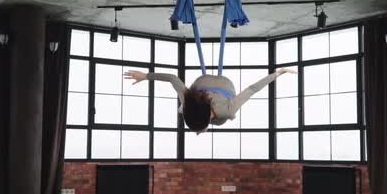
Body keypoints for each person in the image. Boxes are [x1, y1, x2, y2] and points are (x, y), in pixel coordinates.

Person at [124, 68, 297, 133]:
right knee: (183, 108)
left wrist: (277, 73)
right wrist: (146, 76)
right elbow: (172, 78)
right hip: (203, 82)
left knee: (222, 121)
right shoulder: (188, 103)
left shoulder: (227, 112)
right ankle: (186, 114)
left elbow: (251, 89)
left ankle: (202, 122)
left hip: (226, 85)